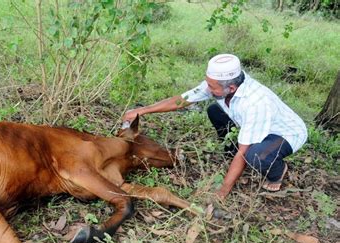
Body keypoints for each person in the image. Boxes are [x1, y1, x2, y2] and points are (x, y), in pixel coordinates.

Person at [123, 53, 307, 200]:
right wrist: (142, 111)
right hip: (255, 125)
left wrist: (223, 190)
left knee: (255, 155)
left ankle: (277, 172)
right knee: (215, 110)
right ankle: (230, 151)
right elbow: (182, 100)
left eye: (212, 87)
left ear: (232, 88)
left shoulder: (255, 103)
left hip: (285, 133)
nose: (207, 89)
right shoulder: (220, 84)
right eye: (208, 83)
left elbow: (244, 152)